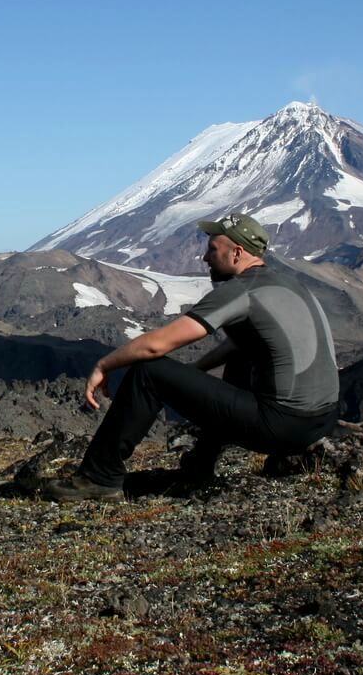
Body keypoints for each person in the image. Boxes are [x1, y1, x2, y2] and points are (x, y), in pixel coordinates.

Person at [45, 211, 341, 502]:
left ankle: (98, 477)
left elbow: (156, 346)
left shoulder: (242, 290)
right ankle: (200, 464)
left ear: (237, 253)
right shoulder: (288, 283)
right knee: (239, 359)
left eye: (213, 249)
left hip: (282, 427)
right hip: (321, 422)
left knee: (149, 371)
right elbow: (240, 346)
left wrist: (104, 364)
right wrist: (193, 373)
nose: (205, 257)